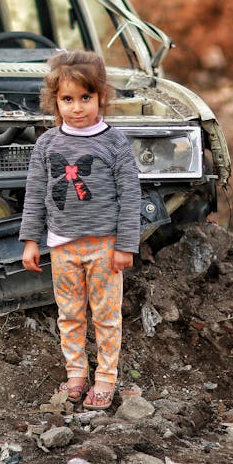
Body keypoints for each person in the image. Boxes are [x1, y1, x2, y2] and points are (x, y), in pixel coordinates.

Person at [19, 50, 141, 410]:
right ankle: (76, 373)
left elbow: (131, 195)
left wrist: (126, 244)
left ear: (101, 96)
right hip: (62, 248)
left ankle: (105, 377)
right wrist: (30, 241)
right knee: (69, 313)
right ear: (55, 102)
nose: (77, 108)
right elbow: (36, 194)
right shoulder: (47, 144)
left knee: (105, 315)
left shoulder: (114, 142)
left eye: (85, 98)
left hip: (105, 246)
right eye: (67, 99)